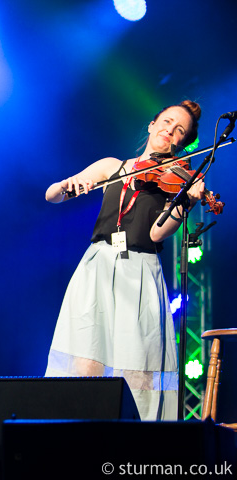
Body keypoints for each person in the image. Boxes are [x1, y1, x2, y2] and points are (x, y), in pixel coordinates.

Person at [44, 100, 206, 421]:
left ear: (182, 143)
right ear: (152, 124)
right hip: (98, 265)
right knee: (86, 356)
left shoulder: (177, 181)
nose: (169, 131)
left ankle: (133, 446)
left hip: (140, 271)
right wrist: (66, 186)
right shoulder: (112, 166)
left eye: (179, 132)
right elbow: (52, 194)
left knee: (136, 366)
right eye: (167, 122)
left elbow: (159, 234)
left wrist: (184, 202)